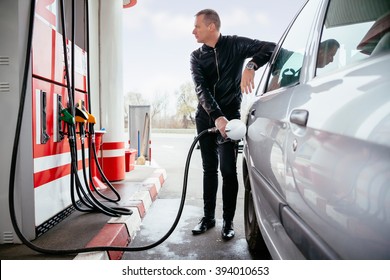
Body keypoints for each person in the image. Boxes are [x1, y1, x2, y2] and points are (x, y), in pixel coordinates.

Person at [190, 9, 275, 240]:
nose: (193, 31)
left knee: (228, 170)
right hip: (206, 117)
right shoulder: (196, 56)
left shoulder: (235, 45)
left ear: (211, 26)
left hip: (232, 119)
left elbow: (270, 47)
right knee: (209, 169)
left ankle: (228, 222)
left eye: (197, 26)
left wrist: (251, 66)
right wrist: (216, 117)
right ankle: (208, 218)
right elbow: (201, 89)